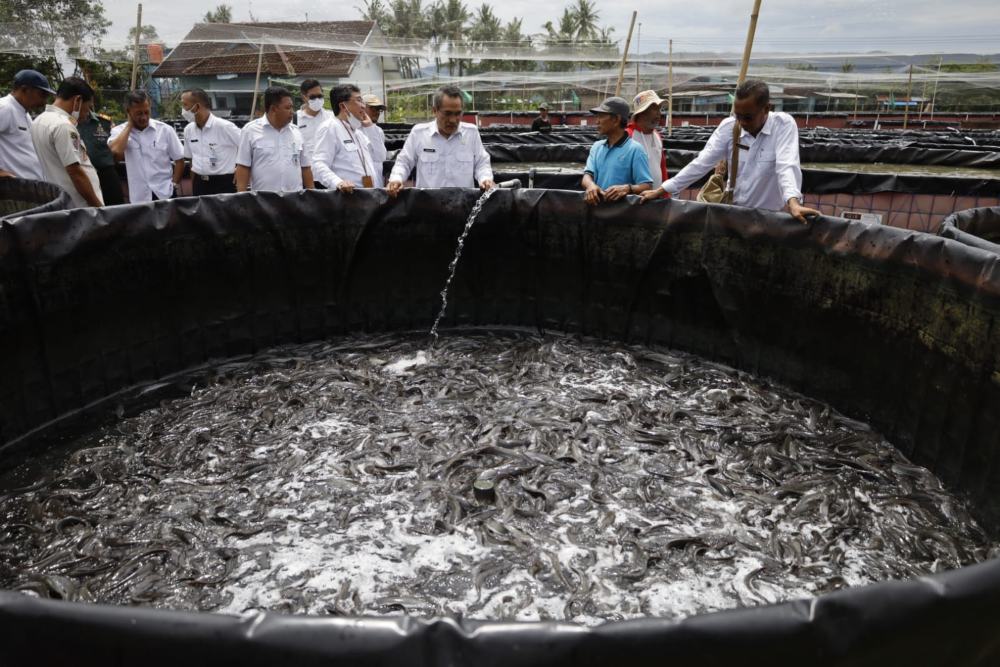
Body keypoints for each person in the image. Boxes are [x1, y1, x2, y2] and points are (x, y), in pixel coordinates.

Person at [640, 79, 820, 223]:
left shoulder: (783, 125)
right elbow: (702, 163)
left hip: (772, 220)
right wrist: (663, 189)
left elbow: (786, 165)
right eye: (738, 116)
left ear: (767, 109)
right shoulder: (729, 128)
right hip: (735, 217)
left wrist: (793, 203)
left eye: (748, 117)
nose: (741, 123)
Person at [387, 85, 493, 197]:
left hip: (463, 206)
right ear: (435, 111)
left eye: (457, 114)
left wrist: (485, 178)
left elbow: (481, 163)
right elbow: (404, 162)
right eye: (447, 113)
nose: (453, 120)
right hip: (428, 205)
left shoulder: (471, 133)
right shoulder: (419, 133)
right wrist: (396, 179)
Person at [28, 77, 103, 208]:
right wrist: (98, 207)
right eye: (88, 107)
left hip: (60, 203)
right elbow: (76, 173)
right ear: (78, 100)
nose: (88, 114)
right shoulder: (63, 125)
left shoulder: (39, 121)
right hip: (80, 208)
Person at [108, 90, 185, 202]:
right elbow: (115, 152)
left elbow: (180, 160)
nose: (144, 117)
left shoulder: (165, 130)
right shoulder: (119, 132)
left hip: (165, 194)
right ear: (128, 111)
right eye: (139, 113)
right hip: (139, 196)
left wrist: (174, 185)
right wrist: (129, 126)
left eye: (146, 112)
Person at [235, 86, 314, 193]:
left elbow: (305, 167)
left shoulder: (296, 132)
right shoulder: (250, 131)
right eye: (287, 108)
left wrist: (312, 195)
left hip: (294, 200)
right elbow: (243, 167)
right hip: (263, 201)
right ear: (273, 109)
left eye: (292, 107)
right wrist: (242, 198)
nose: (292, 112)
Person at [312, 84, 387, 193]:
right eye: (359, 101)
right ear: (343, 106)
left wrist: (370, 128)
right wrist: (338, 182)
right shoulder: (330, 127)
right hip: (347, 197)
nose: (363, 106)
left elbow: (380, 156)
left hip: (368, 196)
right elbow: (318, 165)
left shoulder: (357, 132)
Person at [581, 96, 653, 206]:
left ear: (615, 119)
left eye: (601, 116)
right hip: (597, 211)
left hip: (622, 214)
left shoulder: (635, 150)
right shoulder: (596, 147)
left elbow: (647, 185)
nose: (597, 121)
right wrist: (590, 185)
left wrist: (628, 188)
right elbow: (587, 175)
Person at [180, 87, 241, 196]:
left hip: (224, 183)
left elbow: (247, 146)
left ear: (197, 106)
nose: (183, 110)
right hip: (200, 183)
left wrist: (240, 168)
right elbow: (191, 160)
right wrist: (193, 184)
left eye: (185, 105)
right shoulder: (188, 130)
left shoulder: (225, 127)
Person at [0, 69, 54, 180]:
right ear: (24, 90)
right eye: (42, 94)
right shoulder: (5, 108)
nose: (44, 101)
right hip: (12, 190)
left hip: (29, 188)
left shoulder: (25, 113)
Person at [77, 107, 125, 205]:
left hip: (107, 176)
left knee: (117, 211)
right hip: (84, 176)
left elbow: (114, 148)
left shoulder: (104, 122)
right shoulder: (68, 123)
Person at [627, 90, 667, 185]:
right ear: (642, 113)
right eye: (654, 109)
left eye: (659, 109)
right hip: (634, 197)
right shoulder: (628, 136)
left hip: (656, 197)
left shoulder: (657, 136)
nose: (658, 113)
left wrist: (665, 193)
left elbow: (662, 167)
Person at [295, 79, 333, 157]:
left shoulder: (332, 117)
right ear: (304, 97)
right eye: (313, 97)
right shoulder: (295, 120)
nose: (317, 100)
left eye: (320, 96)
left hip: (328, 166)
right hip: (306, 167)